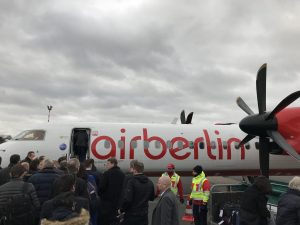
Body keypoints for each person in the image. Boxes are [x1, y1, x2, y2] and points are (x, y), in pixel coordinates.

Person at [119, 160, 155, 225]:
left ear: (135, 170)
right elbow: (152, 198)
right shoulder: (149, 182)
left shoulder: (131, 181)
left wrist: (121, 209)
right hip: (144, 215)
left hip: (131, 215)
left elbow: (128, 199)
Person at [98, 157, 125, 225]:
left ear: (113, 164)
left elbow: (101, 187)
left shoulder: (106, 174)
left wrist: (101, 195)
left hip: (107, 203)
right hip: (118, 202)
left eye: (107, 164)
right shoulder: (122, 174)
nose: (106, 165)